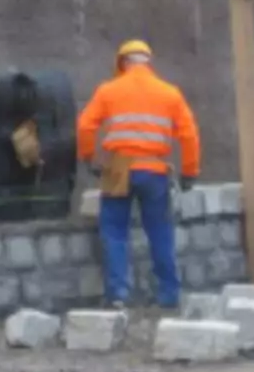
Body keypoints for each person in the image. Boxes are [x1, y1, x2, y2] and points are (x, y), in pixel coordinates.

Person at [77, 40, 200, 309]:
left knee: (114, 231)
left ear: (122, 62)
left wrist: (89, 158)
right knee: (159, 231)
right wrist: (190, 171)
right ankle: (169, 294)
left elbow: (86, 125)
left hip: (118, 168)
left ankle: (119, 294)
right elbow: (189, 134)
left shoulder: (108, 90)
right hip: (154, 170)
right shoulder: (169, 93)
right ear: (148, 62)